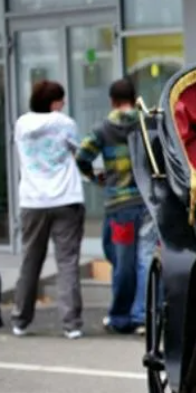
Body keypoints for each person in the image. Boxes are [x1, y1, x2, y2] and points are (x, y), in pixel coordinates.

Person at [76, 78, 157, 335]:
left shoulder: (102, 129)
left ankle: (121, 318)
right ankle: (144, 317)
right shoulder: (148, 124)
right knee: (145, 259)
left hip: (119, 206)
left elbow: (82, 156)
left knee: (123, 262)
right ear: (134, 98)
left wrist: (94, 176)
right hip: (147, 204)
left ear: (112, 100)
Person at [11, 80, 86, 340]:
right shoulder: (65, 123)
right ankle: (71, 324)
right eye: (61, 99)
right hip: (66, 198)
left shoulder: (22, 124)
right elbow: (80, 152)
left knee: (30, 261)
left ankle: (20, 320)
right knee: (67, 263)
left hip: (32, 201)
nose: (63, 104)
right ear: (53, 102)